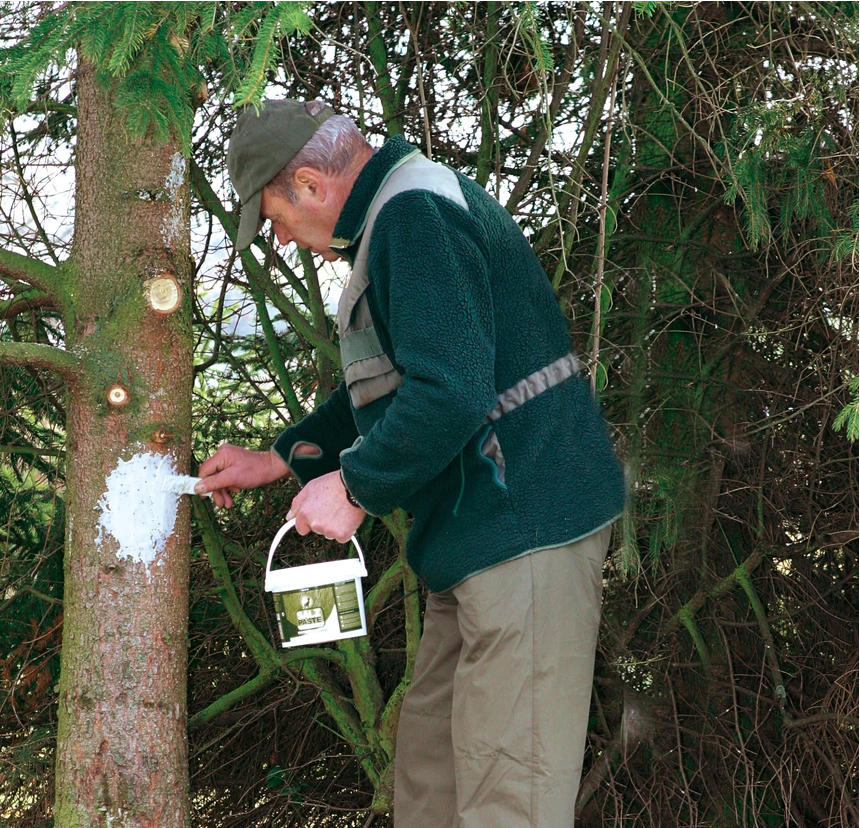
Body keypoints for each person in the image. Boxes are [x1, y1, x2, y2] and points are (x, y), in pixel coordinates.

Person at [196, 98, 626, 828]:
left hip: (524, 538)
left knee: (508, 802)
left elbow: (451, 391)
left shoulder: (413, 215)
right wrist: (280, 458)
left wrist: (358, 486)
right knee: (430, 787)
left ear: (307, 183)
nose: (285, 240)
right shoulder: (393, 220)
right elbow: (394, 384)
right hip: (474, 547)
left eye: (272, 219)